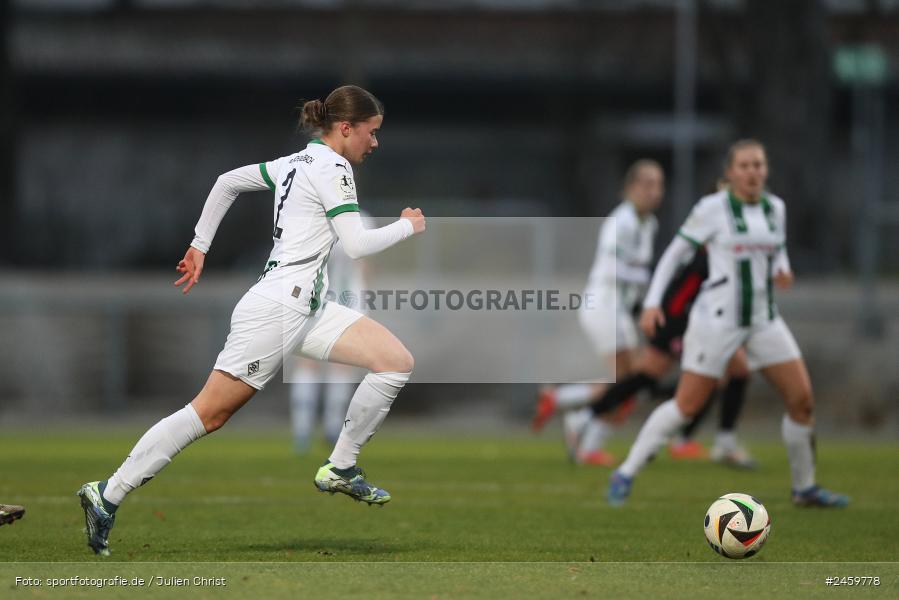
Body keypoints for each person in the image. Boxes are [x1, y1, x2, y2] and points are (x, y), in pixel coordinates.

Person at [77, 85, 427, 556]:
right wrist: (407, 226)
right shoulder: (333, 166)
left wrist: (200, 244)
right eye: (372, 131)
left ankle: (341, 466)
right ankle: (108, 492)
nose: (375, 142)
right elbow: (357, 244)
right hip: (279, 309)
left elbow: (227, 181)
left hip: (307, 307)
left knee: (395, 361)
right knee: (208, 413)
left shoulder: (295, 162)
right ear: (346, 128)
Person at [607, 139, 848, 508]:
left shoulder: (775, 208)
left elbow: (777, 250)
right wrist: (653, 303)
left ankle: (804, 488)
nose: (753, 172)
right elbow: (674, 254)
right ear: (730, 173)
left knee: (802, 401)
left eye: (758, 165)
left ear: (765, 170)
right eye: (745, 165)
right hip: (716, 321)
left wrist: (783, 269)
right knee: (686, 406)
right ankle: (626, 472)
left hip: (764, 320)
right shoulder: (712, 209)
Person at [532, 160, 664, 466]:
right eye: (647, 184)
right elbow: (611, 268)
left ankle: (568, 409)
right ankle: (581, 428)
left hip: (619, 309)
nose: (653, 191)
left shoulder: (649, 224)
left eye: (658, 185)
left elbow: (634, 274)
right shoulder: (622, 221)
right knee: (627, 382)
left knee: (631, 385)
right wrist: (655, 282)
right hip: (603, 304)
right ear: (630, 188)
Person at [288, 217, 370, 453]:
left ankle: (306, 432)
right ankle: (323, 431)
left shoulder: (313, 216)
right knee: (331, 365)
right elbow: (365, 265)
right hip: (340, 302)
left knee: (313, 363)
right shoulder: (359, 218)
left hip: (322, 300)